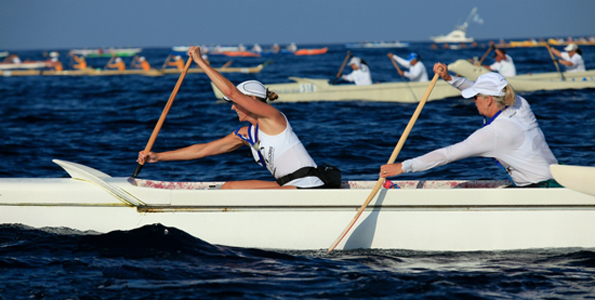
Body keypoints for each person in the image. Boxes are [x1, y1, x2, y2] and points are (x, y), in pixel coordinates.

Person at [137, 46, 341, 190]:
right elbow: (203, 149)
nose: (233, 107)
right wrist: (158, 156)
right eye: (231, 104)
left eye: (235, 103)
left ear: (252, 100)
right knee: (228, 187)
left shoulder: (274, 118)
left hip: (308, 186)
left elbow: (233, 93)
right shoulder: (246, 134)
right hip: (287, 187)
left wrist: (200, 62)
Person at [379, 62, 559, 188]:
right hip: (558, 179)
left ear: (488, 100)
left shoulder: (494, 133)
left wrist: (403, 167)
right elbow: (475, 87)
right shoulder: (519, 103)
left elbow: (447, 154)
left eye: (475, 97)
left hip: (539, 189)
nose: (473, 101)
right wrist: (449, 77)